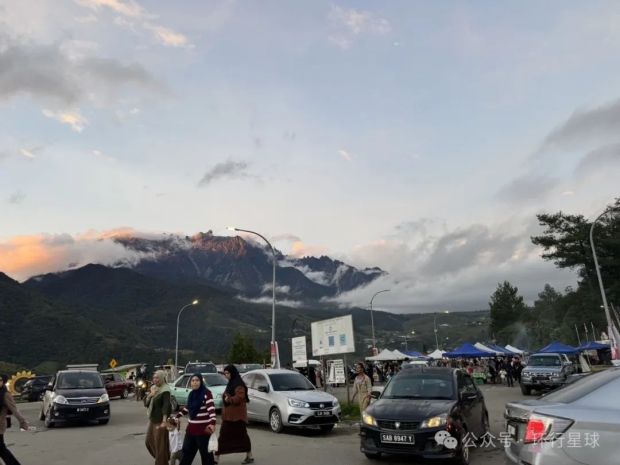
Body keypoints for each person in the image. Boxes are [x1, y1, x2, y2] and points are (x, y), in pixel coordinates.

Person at [215, 365, 253, 465]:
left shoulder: (238, 384)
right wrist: (225, 397)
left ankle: (249, 456)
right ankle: (216, 458)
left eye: (228, 373)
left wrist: (229, 399)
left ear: (233, 373)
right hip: (229, 416)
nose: (226, 375)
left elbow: (240, 397)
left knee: (242, 436)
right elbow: (227, 395)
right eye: (225, 373)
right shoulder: (231, 383)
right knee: (223, 436)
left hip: (237, 417)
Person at [176, 374, 216, 465]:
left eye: (197, 380)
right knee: (186, 453)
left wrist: (212, 423)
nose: (195, 382)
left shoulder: (207, 393)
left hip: (203, 431)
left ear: (201, 381)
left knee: (206, 456)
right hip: (191, 430)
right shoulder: (191, 394)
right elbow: (188, 408)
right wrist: (177, 416)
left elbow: (211, 410)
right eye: (193, 381)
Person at [145, 370, 172, 465]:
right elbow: (146, 403)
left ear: (162, 378)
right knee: (148, 442)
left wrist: (164, 421)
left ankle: (160, 461)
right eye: (154, 378)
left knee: (160, 445)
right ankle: (162, 459)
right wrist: (150, 395)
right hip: (152, 420)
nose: (155, 380)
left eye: (157, 378)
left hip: (160, 421)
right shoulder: (153, 388)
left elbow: (166, 405)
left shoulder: (165, 390)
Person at [0, 374, 28, 465]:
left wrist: (22, 421)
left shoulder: (5, 394)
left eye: (0, 380)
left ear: (3, 382)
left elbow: (14, 409)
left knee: (1, 448)